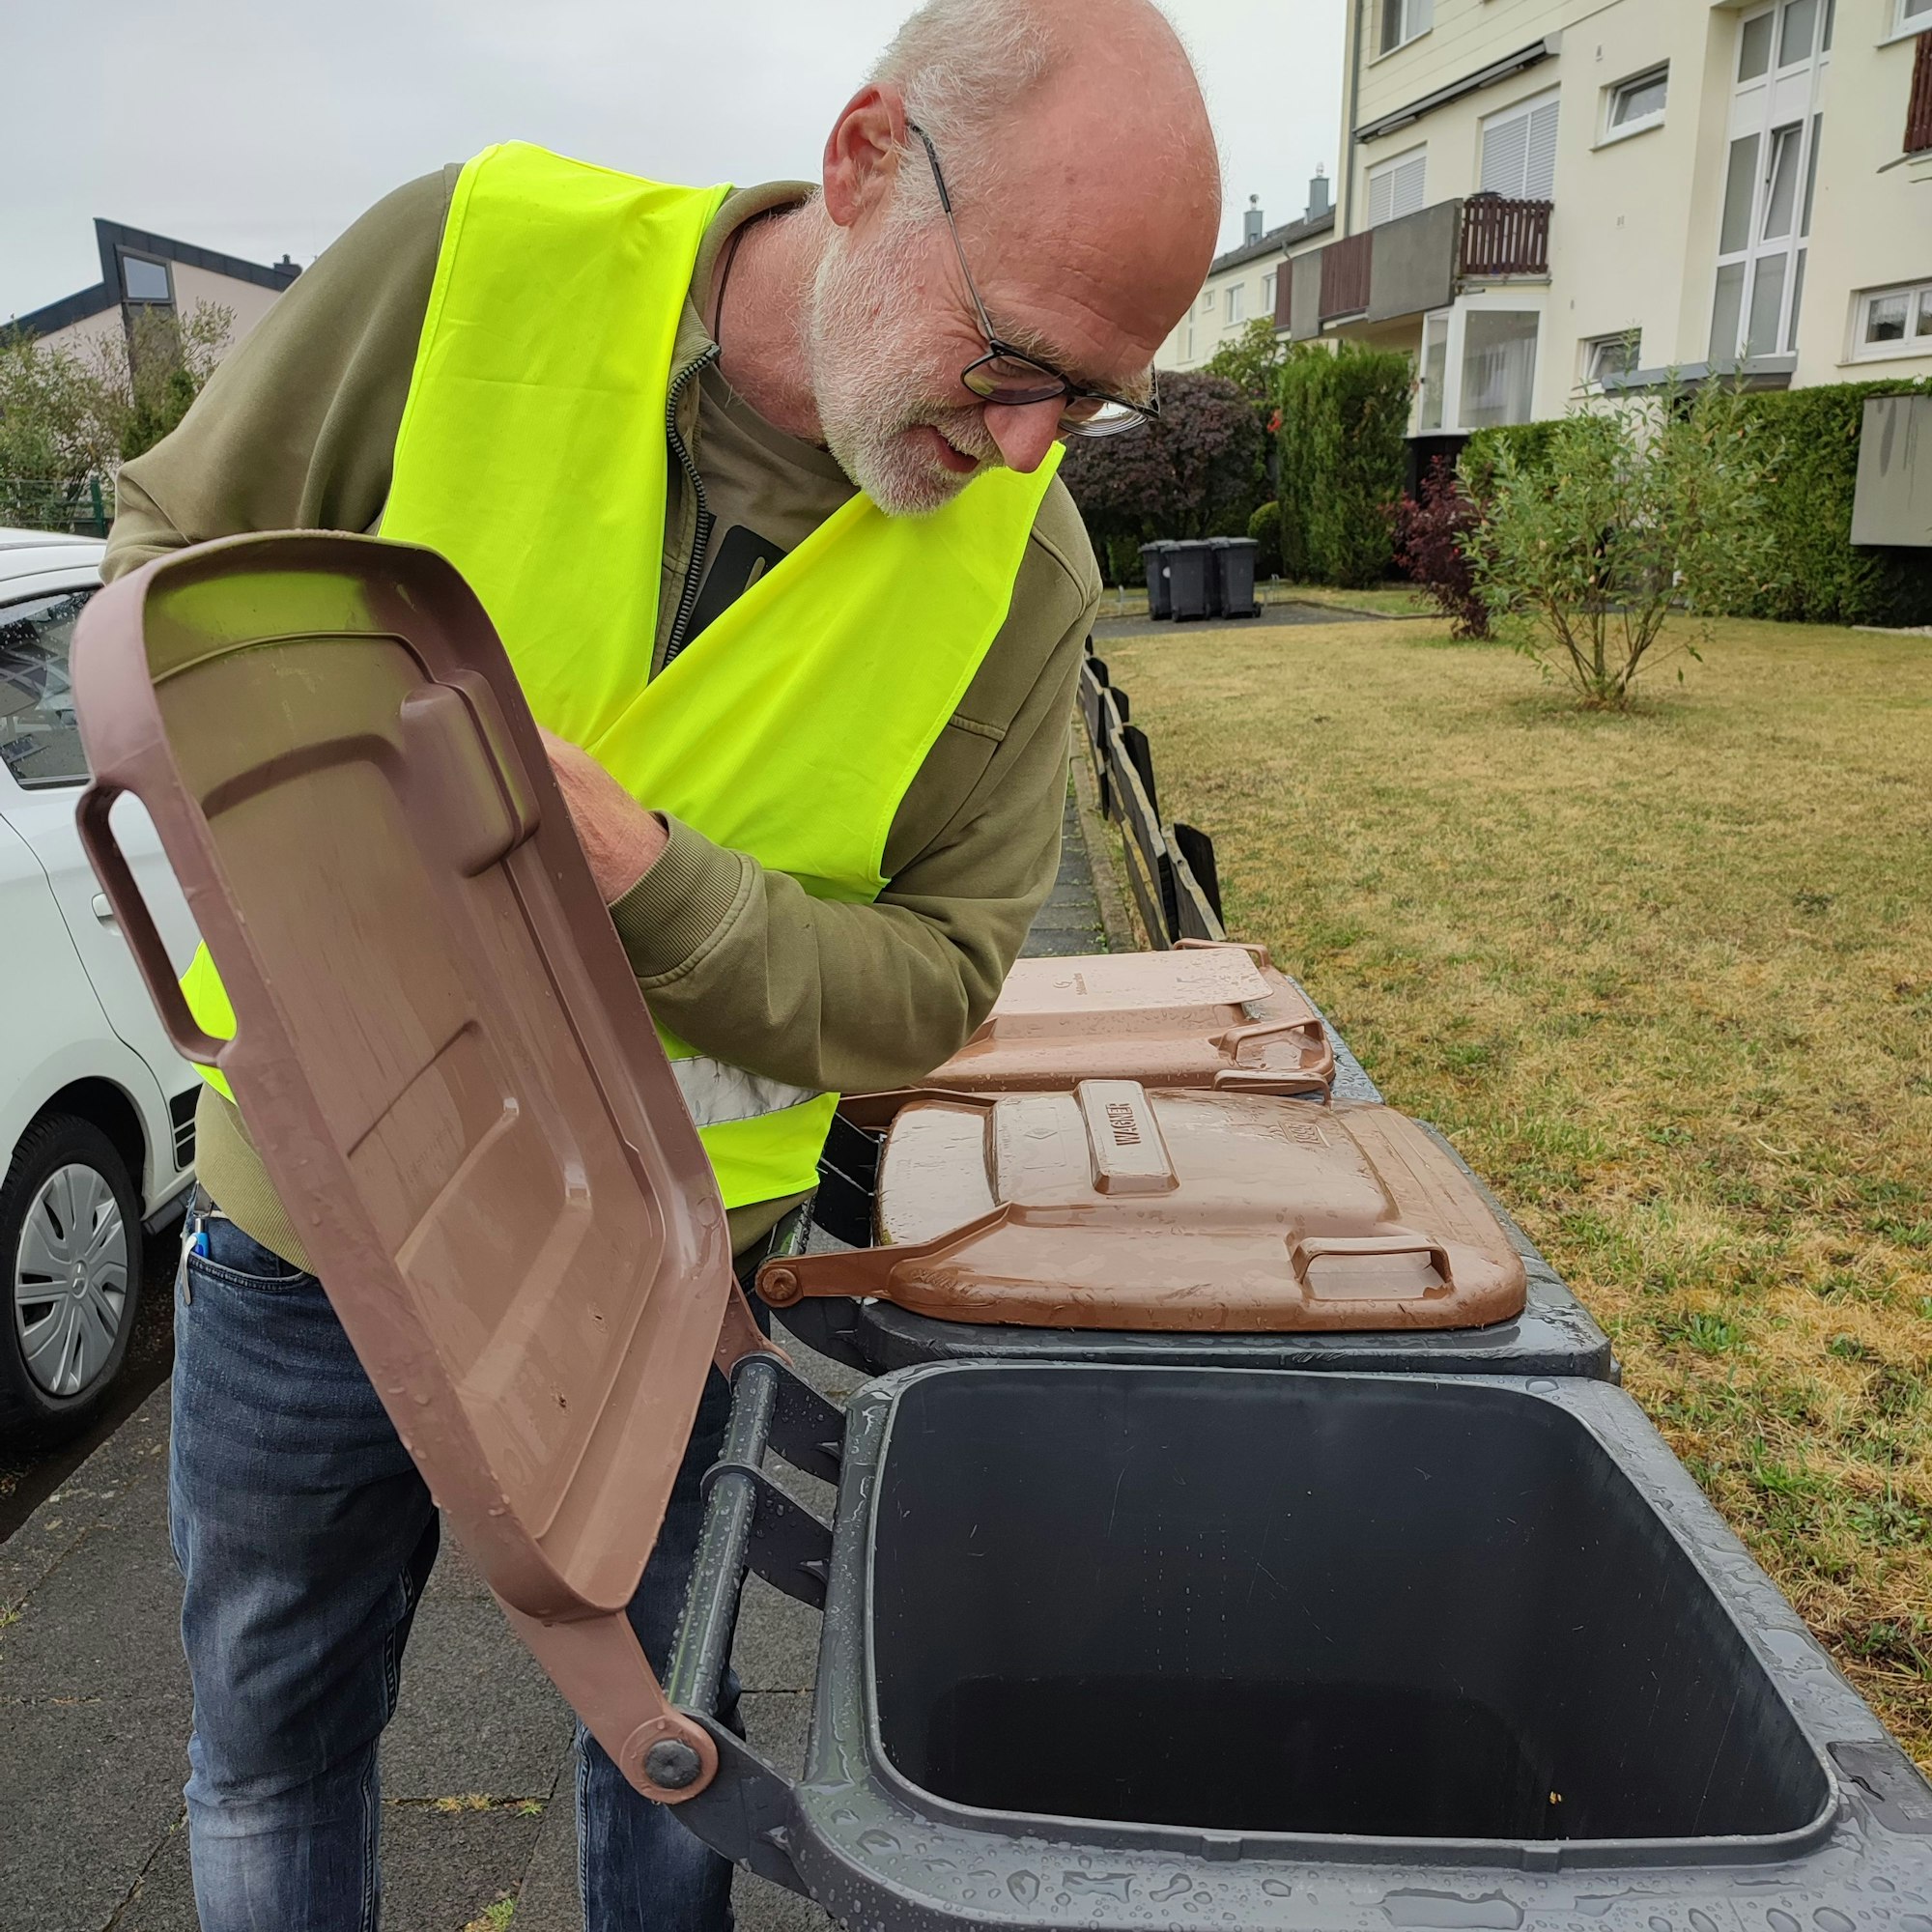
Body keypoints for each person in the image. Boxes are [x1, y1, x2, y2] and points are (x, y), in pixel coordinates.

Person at [101, 0, 1219, 1924]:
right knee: (273, 1743)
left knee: (660, 1771)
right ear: (866, 160)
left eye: (1094, 398)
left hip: (678, 1287)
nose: (1035, 441)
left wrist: (648, 883)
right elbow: (168, 563)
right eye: (1019, 355)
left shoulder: (1028, 574)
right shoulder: (466, 262)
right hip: (319, 1237)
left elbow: (938, 982)